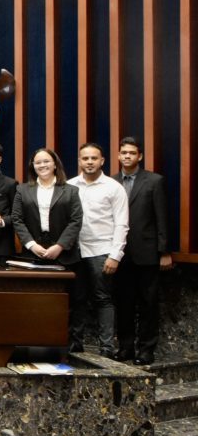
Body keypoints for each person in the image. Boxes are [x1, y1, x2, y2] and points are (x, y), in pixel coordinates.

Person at [113, 137, 172, 365]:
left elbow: (162, 217)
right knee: (124, 302)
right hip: (120, 253)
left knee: (148, 303)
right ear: (118, 156)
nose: (127, 156)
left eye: (131, 153)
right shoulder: (111, 182)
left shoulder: (154, 181)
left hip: (147, 252)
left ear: (140, 156)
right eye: (123, 152)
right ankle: (126, 347)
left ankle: (146, 349)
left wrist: (164, 251)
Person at [67, 143, 129, 358]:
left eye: (94, 158)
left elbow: (122, 223)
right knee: (77, 298)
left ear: (102, 161)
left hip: (102, 251)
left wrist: (115, 255)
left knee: (103, 299)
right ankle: (75, 344)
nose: (90, 162)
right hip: (74, 251)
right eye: (85, 158)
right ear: (79, 161)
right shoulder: (70, 185)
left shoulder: (114, 188)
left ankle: (106, 347)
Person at [12, 147, 83, 264]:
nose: (42, 165)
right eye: (38, 162)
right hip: (32, 253)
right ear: (33, 166)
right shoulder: (22, 190)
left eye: (46, 161)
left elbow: (76, 220)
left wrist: (60, 246)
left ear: (55, 165)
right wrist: (32, 245)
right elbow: (17, 219)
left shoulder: (71, 190)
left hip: (63, 254)